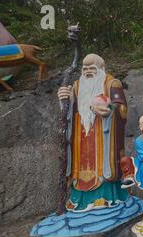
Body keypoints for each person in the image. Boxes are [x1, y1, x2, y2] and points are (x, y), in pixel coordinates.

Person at [57, 53, 128, 212]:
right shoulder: (76, 86)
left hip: (103, 135)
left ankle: (106, 196)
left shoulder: (112, 84)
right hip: (80, 136)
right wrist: (64, 100)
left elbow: (121, 108)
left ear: (102, 68)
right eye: (85, 68)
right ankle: (78, 199)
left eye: (92, 68)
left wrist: (108, 109)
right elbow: (69, 112)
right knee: (80, 165)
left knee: (103, 164)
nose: (88, 71)